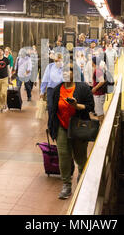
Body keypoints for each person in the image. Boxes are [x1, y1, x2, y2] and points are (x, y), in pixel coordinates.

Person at [48, 62, 94, 199]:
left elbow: (90, 106)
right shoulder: (57, 90)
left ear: (76, 73)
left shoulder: (83, 88)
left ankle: (81, 174)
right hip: (61, 126)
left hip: (78, 126)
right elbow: (52, 110)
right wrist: (51, 127)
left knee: (80, 156)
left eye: (71, 70)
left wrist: (76, 105)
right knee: (63, 154)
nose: (67, 72)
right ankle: (66, 184)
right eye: (65, 70)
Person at [40, 53, 64, 125]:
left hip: (61, 90)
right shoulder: (50, 67)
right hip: (51, 89)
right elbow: (45, 78)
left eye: (60, 60)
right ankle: (50, 124)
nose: (58, 62)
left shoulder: (65, 67)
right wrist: (42, 91)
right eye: (56, 61)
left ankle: (58, 124)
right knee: (50, 107)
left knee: (59, 108)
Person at [91, 57, 106, 125]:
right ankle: (101, 124)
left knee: (99, 112)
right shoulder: (97, 69)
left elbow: (102, 81)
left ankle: (102, 126)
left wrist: (95, 88)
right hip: (98, 94)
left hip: (99, 94)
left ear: (93, 62)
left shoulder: (97, 70)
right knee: (99, 111)